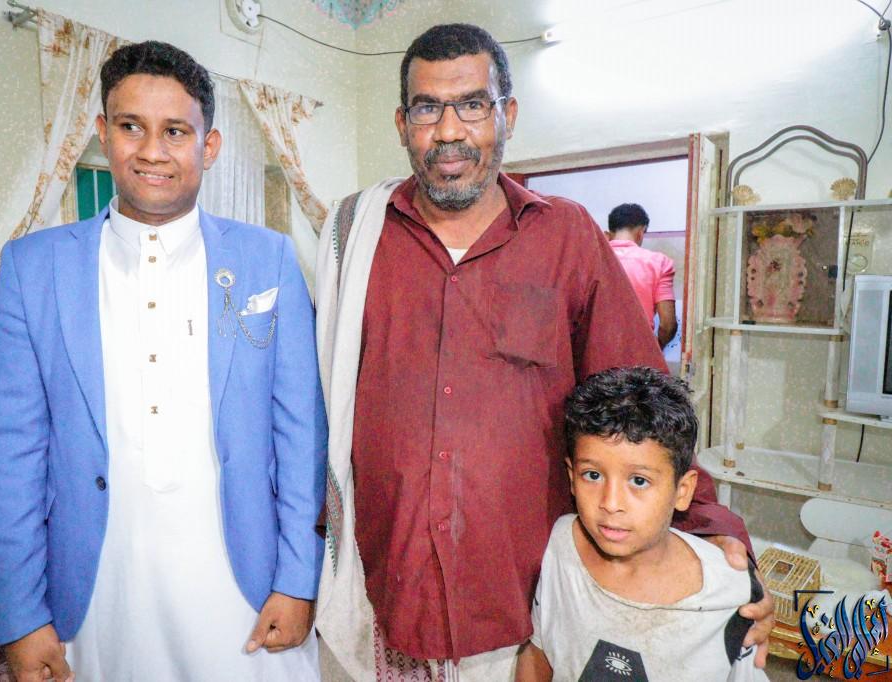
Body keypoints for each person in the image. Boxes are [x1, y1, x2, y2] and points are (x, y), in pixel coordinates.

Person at [313, 23, 774, 681]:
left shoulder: (565, 236)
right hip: (386, 588)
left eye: (473, 105)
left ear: (508, 115)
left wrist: (710, 527)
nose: (449, 130)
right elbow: (319, 404)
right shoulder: (358, 235)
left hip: (527, 606)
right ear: (401, 123)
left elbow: (641, 399)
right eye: (427, 108)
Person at [0, 41, 326, 681]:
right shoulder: (34, 268)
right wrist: (21, 616)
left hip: (243, 585)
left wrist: (298, 580)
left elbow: (302, 435)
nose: (152, 151)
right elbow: (9, 454)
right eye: (131, 126)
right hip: (100, 589)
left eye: (175, 131)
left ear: (209, 146)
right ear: (103, 132)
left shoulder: (267, 259)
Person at [517, 367, 768, 682]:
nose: (610, 503)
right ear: (571, 477)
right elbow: (538, 653)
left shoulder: (728, 590)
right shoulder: (560, 545)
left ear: (683, 491)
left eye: (638, 481)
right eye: (592, 475)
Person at [607, 203, 678, 349]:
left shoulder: (589, 261)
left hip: (595, 354)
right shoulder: (659, 263)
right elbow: (668, 325)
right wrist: (655, 348)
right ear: (641, 232)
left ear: (608, 234)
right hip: (640, 352)